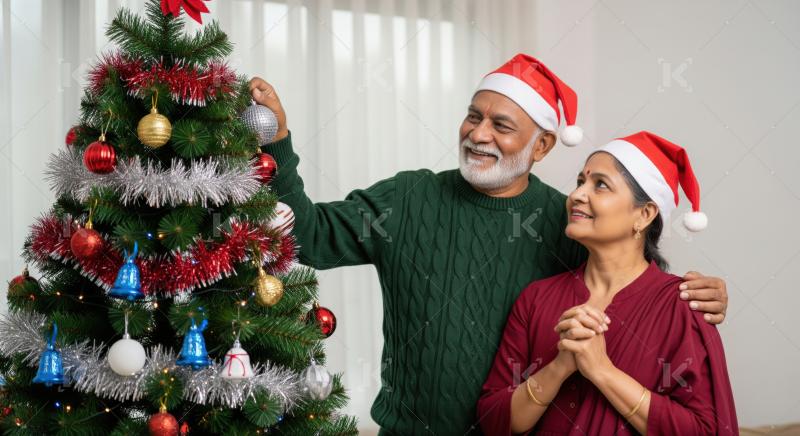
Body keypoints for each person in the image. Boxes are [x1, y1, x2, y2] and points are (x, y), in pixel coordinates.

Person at [249, 54, 730, 434]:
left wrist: (703, 294)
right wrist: (278, 141)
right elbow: (306, 236)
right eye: (472, 117)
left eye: (501, 125)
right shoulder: (407, 199)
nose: (479, 134)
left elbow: (631, 277)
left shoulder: (568, 222)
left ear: (541, 147)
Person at [477, 131, 738, 435]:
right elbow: (493, 420)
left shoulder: (684, 306)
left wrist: (601, 370)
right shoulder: (536, 298)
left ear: (643, 215)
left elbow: (706, 430)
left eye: (600, 184)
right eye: (580, 182)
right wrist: (560, 367)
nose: (576, 195)